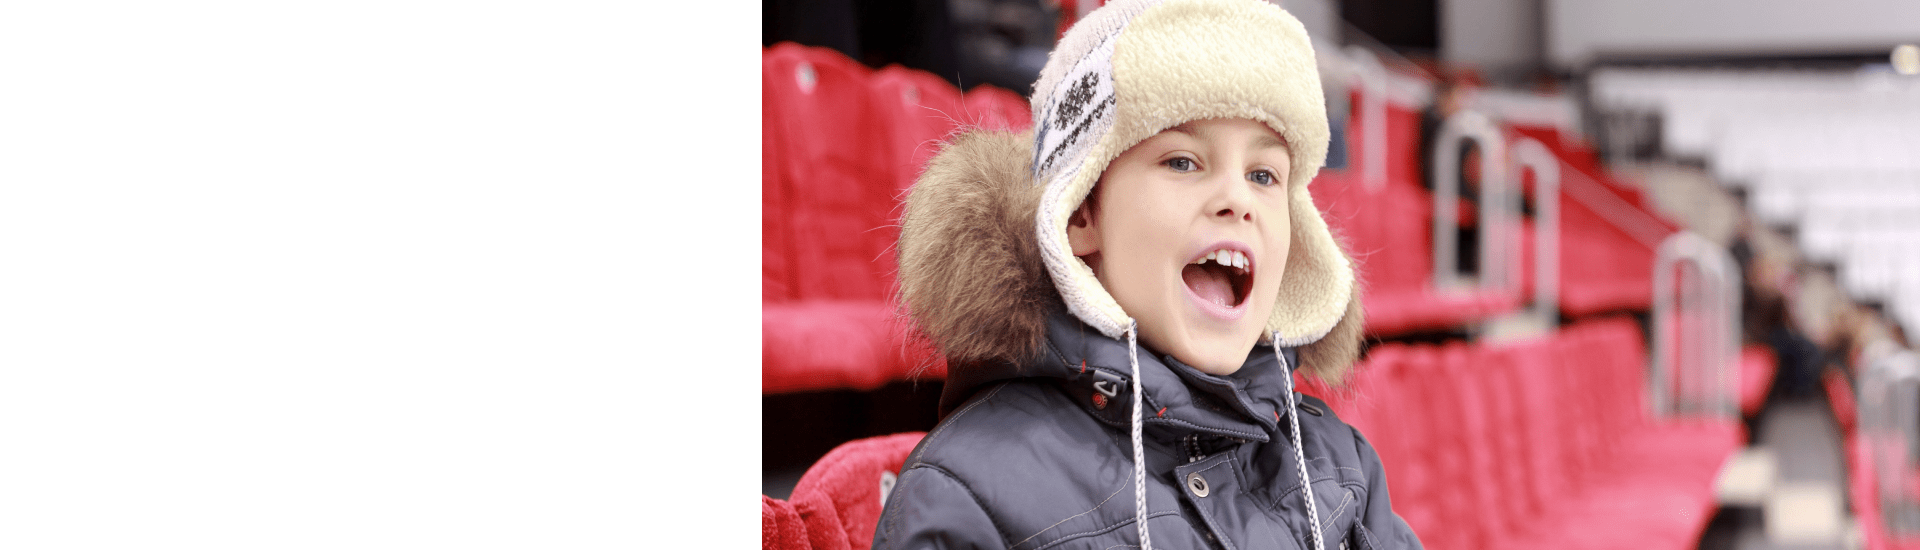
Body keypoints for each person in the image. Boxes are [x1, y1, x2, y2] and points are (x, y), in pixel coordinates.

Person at [874, 0, 1423, 548]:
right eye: (1182, 161)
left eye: (1263, 174)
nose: (1237, 199)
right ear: (1081, 214)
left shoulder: (1338, 462)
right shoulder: (967, 495)